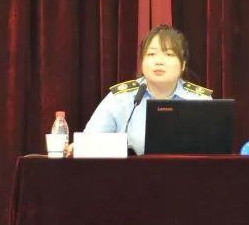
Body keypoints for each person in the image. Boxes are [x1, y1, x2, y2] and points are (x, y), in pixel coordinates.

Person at [82, 24, 212, 155]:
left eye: (169, 54)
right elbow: (87, 144)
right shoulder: (121, 98)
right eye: (151, 54)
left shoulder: (201, 100)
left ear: (183, 65)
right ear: (142, 62)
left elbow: (216, 150)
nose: (159, 61)